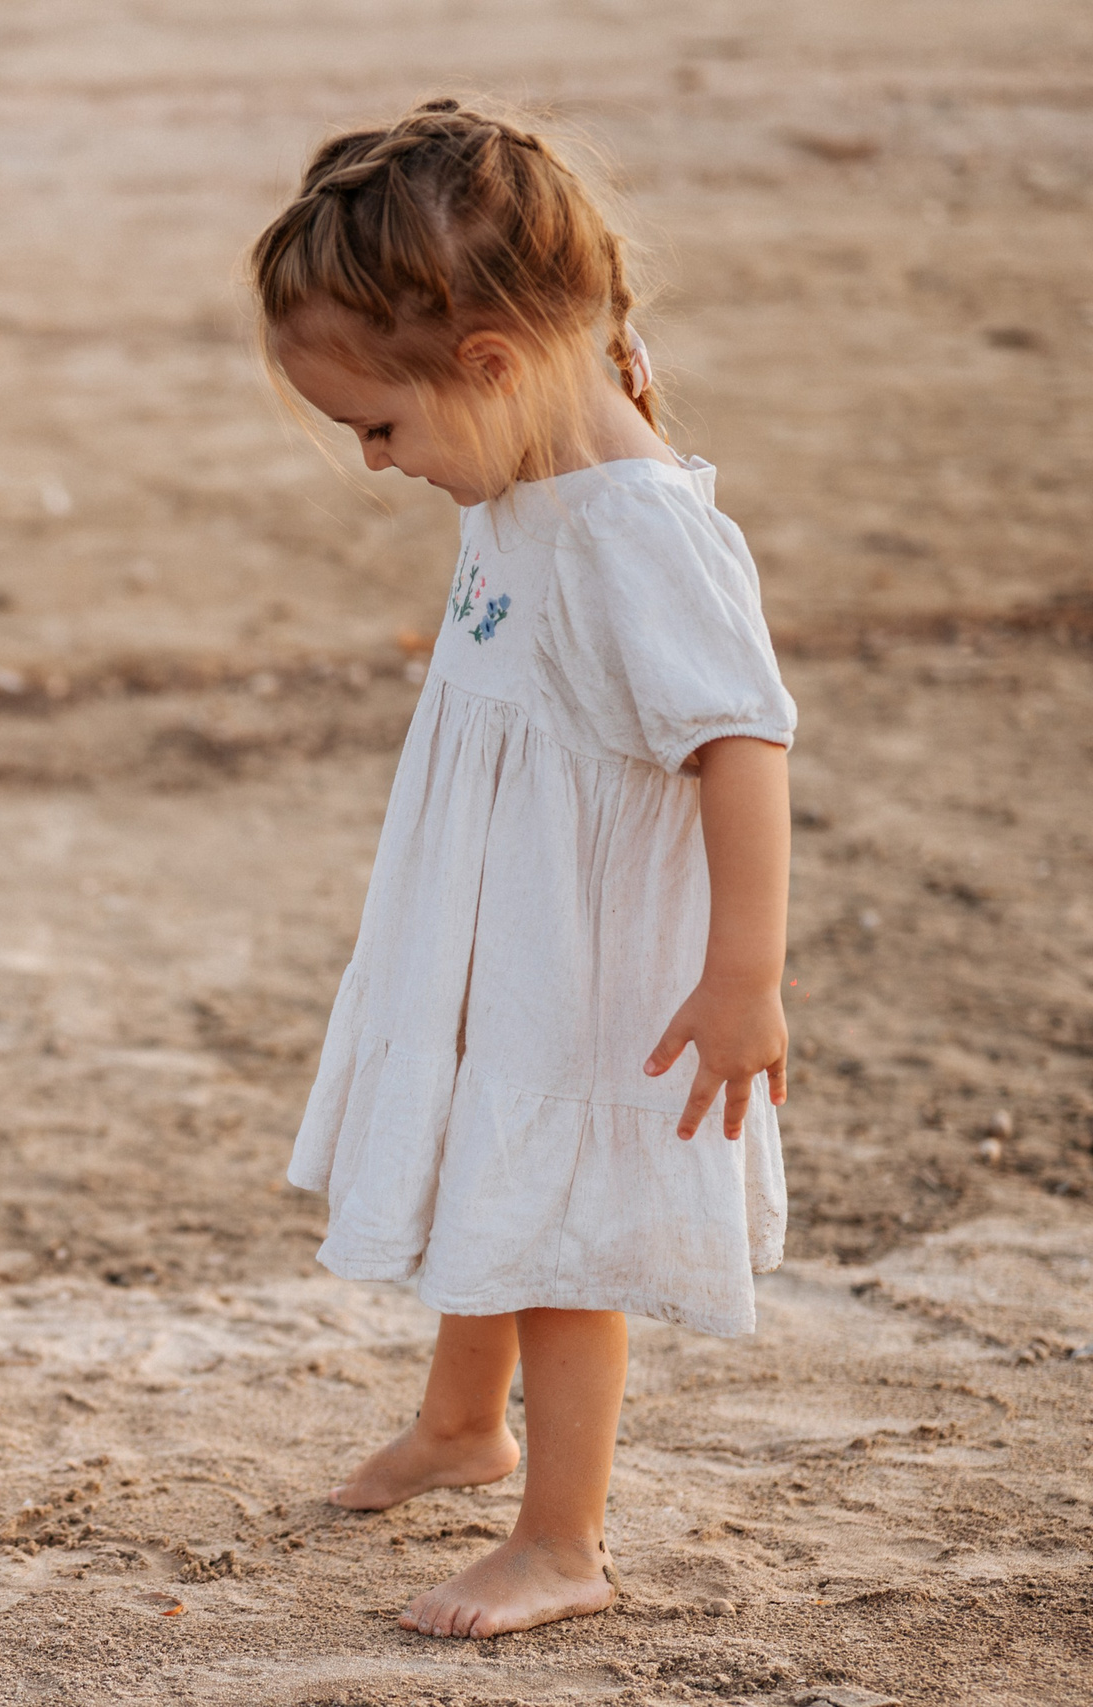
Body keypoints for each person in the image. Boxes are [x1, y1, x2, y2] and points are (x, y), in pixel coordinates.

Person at [245, 101, 795, 1637]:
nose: (373, 464)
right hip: (503, 921)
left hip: (598, 955)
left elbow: (742, 741)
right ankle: (461, 1425)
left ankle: (563, 1538)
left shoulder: (633, 528)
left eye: (380, 426)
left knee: (561, 1225)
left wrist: (745, 974)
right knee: (489, 1147)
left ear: (490, 360)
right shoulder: (525, 465)